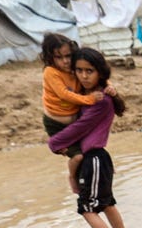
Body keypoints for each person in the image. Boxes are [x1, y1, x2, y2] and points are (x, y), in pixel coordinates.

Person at [48, 48, 134, 228]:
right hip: (98, 159)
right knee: (106, 204)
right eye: (79, 71)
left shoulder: (100, 100)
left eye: (89, 71)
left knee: (87, 208)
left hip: (94, 158)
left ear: (100, 72)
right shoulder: (92, 96)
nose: (84, 76)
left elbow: (79, 128)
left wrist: (54, 143)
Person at [39, 33, 114, 194]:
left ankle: (101, 175)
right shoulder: (51, 72)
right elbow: (64, 94)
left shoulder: (74, 69)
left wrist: (109, 86)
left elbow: (98, 75)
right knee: (78, 156)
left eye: (68, 56)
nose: (65, 61)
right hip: (56, 125)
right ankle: (72, 177)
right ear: (49, 58)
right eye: (58, 57)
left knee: (89, 150)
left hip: (74, 121)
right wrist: (89, 100)